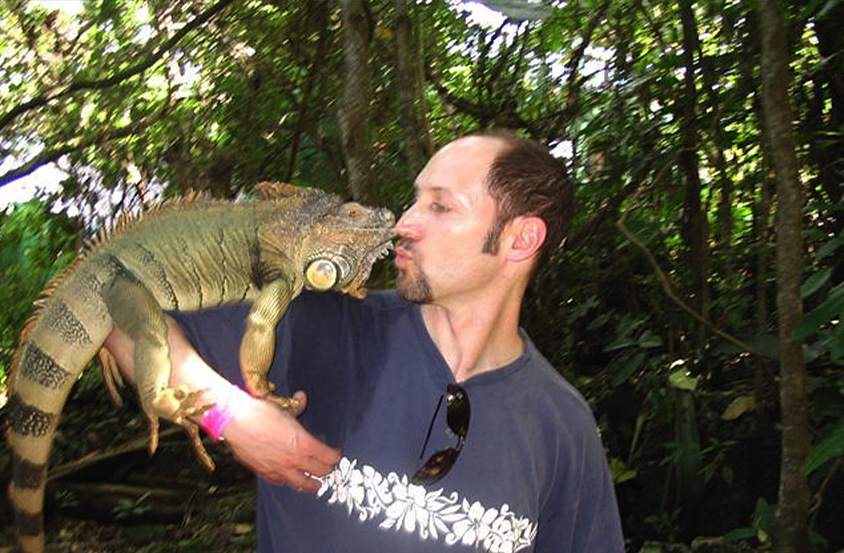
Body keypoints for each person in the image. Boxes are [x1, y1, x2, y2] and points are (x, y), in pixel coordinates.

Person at [104, 131, 625, 552]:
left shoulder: (563, 426)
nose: (406, 223)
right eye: (416, 200)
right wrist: (231, 418)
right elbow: (111, 305)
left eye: (441, 208)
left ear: (520, 239)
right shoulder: (320, 325)